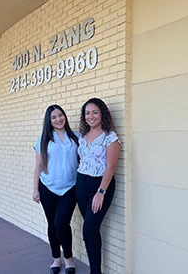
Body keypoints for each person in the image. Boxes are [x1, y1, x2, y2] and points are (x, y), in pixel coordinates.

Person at [33, 104, 80, 274]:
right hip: (47, 188)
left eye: (60, 115)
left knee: (62, 223)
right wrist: (35, 189)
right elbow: (38, 165)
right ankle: (56, 259)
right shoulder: (43, 139)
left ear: (64, 116)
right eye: (54, 117)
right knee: (52, 224)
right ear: (49, 121)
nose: (58, 119)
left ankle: (68, 258)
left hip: (70, 188)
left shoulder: (76, 137)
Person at [76, 98, 121, 274]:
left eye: (95, 112)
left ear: (102, 113)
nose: (90, 116)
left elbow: (110, 166)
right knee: (92, 230)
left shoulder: (110, 137)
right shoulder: (83, 136)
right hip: (81, 184)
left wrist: (101, 192)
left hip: (100, 186)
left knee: (88, 231)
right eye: (87, 113)